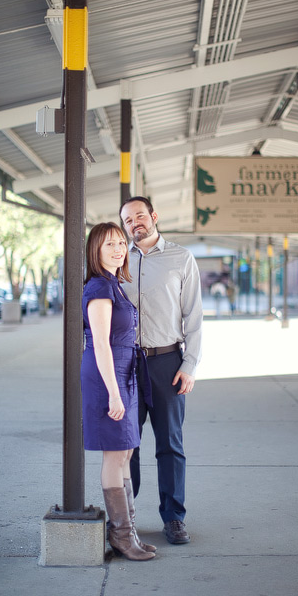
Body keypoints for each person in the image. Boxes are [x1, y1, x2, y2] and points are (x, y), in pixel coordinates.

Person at [119, 196, 203, 545]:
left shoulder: (181, 258)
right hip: (126, 364)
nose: (135, 222)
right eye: (127, 220)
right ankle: (127, 517)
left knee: (170, 443)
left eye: (140, 215)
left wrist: (190, 364)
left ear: (153, 216)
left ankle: (173, 517)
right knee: (128, 444)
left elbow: (194, 315)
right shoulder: (117, 258)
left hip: (167, 361)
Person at [82, 222, 156, 561]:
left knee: (126, 450)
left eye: (121, 243)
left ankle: (128, 533)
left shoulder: (115, 283)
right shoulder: (99, 286)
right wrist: (113, 393)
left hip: (124, 370)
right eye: (109, 244)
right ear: (95, 250)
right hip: (107, 374)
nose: (117, 249)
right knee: (115, 452)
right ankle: (122, 537)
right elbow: (100, 343)